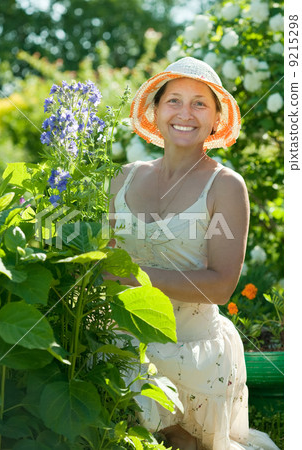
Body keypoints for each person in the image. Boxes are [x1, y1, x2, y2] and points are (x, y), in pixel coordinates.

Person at [106, 57, 280, 450]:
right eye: (174, 100)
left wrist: (135, 275)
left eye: (200, 103)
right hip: (119, 342)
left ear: (217, 117)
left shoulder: (226, 187)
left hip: (192, 354)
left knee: (181, 442)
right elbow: (102, 261)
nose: (185, 113)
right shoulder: (123, 177)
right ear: (155, 109)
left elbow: (220, 287)